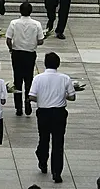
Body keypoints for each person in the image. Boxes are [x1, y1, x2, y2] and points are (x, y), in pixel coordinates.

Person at [29, 52, 76, 184]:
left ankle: (42, 160)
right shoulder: (65, 78)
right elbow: (72, 97)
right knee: (58, 143)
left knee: (43, 139)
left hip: (43, 112)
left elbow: (31, 96)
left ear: (45, 64)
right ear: (58, 64)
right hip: (59, 113)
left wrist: (43, 98)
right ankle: (56, 172)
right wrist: (63, 96)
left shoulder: (38, 78)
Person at [6, 2, 44, 117]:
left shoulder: (14, 23)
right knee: (29, 80)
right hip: (30, 54)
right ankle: (28, 103)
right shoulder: (36, 24)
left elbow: (8, 39)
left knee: (17, 80)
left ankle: (18, 107)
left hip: (17, 54)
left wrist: (11, 49)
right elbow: (41, 40)